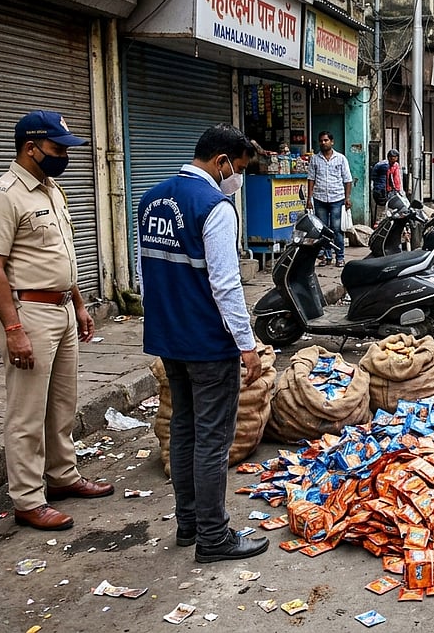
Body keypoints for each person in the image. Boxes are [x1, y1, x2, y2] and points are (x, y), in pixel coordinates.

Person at [137, 123, 269, 564]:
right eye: (239, 170)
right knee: (213, 438)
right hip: (208, 342)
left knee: (184, 428)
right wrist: (246, 344)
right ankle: (214, 537)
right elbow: (227, 285)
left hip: (168, 336)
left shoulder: (150, 198)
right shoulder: (215, 206)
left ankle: (188, 523)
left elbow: (150, 271)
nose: (237, 181)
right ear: (222, 162)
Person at [0, 110, 111, 532]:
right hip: (28, 312)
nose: (63, 157)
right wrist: (14, 329)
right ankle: (28, 500)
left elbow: (62, 256)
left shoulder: (53, 189)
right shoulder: (2, 195)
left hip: (63, 308)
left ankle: (63, 476)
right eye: (56, 149)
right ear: (30, 148)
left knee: (62, 404)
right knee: (27, 412)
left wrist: (80, 303)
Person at [306, 131, 353, 267]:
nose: (323, 143)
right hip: (319, 198)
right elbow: (311, 179)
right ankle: (326, 257)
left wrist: (347, 198)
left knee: (336, 229)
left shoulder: (341, 158)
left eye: (326, 140)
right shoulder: (315, 159)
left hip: (337, 198)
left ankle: (340, 257)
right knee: (322, 229)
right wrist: (309, 199)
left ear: (332, 142)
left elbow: (347, 179)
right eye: (321, 141)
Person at [370, 150, 402, 226]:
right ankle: (379, 225)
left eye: (395, 158)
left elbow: (396, 179)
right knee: (382, 210)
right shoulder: (384, 166)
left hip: (389, 191)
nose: (394, 160)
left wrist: (397, 190)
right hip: (381, 191)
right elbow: (382, 181)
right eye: (392, 158)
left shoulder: (395, 165)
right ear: (389, 158)